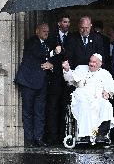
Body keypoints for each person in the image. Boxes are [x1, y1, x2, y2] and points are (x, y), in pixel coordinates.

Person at [14, 23, 61, 148]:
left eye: (47, 31)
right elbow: (41, 55)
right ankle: (29, 139)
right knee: (28, 111)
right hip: (28, 82)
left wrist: (52, 62)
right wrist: (54, 54)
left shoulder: (47, 43)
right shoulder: (32, 42)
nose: (46, 33)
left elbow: (54, 57)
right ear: (37, 31)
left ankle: (38, 138)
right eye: (44, 31)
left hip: (41, 83)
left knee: (39, 112)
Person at [62, 53, 114, 143]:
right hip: (82, 96)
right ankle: (85, 135)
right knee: (85, 106)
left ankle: (99, 134)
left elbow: (112, 89)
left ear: (100, 64)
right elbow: (70, 79)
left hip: (98, 98)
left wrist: (108, 93)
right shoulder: (81, 69)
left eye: (94, 62)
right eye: (90, 61)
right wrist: (67, 69)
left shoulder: (105, 73)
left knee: (106, 105)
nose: (91, 64)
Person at [45, 14, 73, 145]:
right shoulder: (52, 37)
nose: (67, 24)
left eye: (68, 22)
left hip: (67, 79)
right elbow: (45, 55)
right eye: (64, 22)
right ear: (59, 23)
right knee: (53, 107)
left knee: (65, 107)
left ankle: (64, 135)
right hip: (55, 77)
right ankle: (52, 137)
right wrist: (55, 53)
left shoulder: (72, 37)